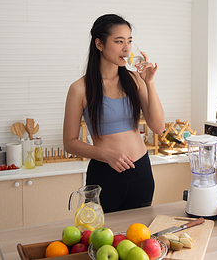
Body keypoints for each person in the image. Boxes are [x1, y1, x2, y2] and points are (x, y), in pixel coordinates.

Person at [63, 14, 165, 213]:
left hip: (141, 173)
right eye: (119, 41)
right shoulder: (80, 89)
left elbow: (158, 127)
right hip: (104, 177)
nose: (126, 49)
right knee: (102, 240)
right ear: (99, 44)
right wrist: (105, 154)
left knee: (138, 239)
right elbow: (70, 142)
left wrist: (149, 83)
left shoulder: (136, 80)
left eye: (129, 41)